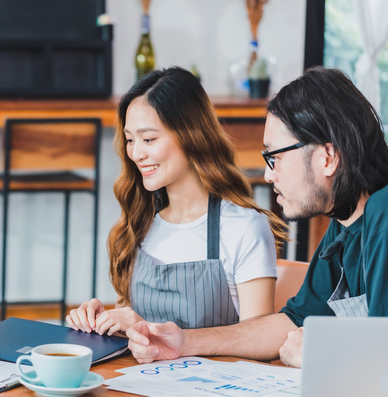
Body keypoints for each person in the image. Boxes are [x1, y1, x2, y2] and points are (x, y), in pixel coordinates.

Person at [126, 66, 388, 368]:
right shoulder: (344, 225)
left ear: (327, 158)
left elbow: (380, 356)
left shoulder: (382, 215)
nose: (268, 174)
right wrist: (186, 342)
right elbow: (294, 321)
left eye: (274, 157)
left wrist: (322, 358)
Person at [67, 67, 286, 337]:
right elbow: (129, 326)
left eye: (148, 139)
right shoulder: (139, 223)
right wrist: (105, 322)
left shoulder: (244, 228)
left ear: (190, 135)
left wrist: (147, 330)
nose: (136, 153)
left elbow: (258, 343)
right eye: (129, 140)